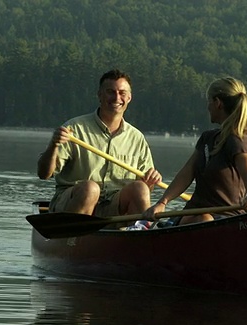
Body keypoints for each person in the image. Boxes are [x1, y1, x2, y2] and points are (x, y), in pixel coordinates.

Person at [37, 69, 162, 217]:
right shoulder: (74, 129)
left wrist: (151, 182)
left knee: (140, 189)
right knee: (91, 189)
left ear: (129, 97)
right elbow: (44, 174)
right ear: (100, 95)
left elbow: (146, 189)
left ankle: (139, 235)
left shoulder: (137, 138)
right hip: (74, 203)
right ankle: (72, 237)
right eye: (110, 92)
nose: (116, 98)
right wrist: (54, 145)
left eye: (122, 93)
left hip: (112, 207)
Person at [143, 76, 247, 225]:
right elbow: (186, 173)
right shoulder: (207, 138)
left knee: (204, 219)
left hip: (227, 218)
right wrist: (162, 202)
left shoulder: (238, 141)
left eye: (209, 102)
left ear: (217, 103)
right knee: (203, 218)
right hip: (194, 215)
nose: (208, 107)